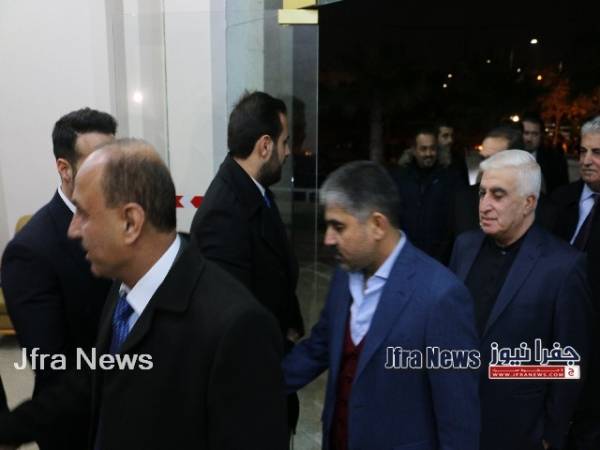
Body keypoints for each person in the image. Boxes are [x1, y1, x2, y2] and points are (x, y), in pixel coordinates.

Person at [0, 139, 288, 450]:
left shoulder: (236, 326)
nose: (73, 229)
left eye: (83, 213)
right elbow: (98, 380)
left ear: (131, 222)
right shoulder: (123, 289)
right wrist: (10, 429)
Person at [284, 161, 480, 450]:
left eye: (339, 226)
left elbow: (458, 418)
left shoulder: (441, 297)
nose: (328, 239)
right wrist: (254, 389)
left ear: (377, 225)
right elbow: (319, 347)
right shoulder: (344, 275)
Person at [449, 150, 592, 450]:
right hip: (456, 420)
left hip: (519, 429)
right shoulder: (464, 246)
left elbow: (569, 362)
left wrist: (550, 435)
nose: (485, 205)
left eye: (498, 195)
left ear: (529, 203)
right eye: (482, 193)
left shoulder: (564, 266)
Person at [0, 108, 115, 450]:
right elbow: (52, 363)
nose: (113, 171)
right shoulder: (31, 250)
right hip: (78, 424)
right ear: (64, 168)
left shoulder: (120, 218)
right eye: (98, 161)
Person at [190, 91, 304, 433]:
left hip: (270, 372)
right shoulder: (223, 212)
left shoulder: (256, 192)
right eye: (284, 142)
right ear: (265, 146)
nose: (288, 152)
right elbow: (233, 322)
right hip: (249, 395)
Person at [551, 116, 600, 450]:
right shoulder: (558, 200)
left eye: (597, 152)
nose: (586, 160)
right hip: (550, 341)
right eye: (583, 151)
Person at [390, 127, 457, 261]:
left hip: (440, 257)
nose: (428, 153)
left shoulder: (449, 178)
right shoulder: (400, 178)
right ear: (414, 150)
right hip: (406, 254)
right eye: (423, 149)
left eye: (432, 148)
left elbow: (452, 221)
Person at [522, 113, 569, 194]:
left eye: (535, 134)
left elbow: (562, 191)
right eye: (526, 133)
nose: (529, 139)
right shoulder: (508, 156)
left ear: (541, 136)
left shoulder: (556, 160)